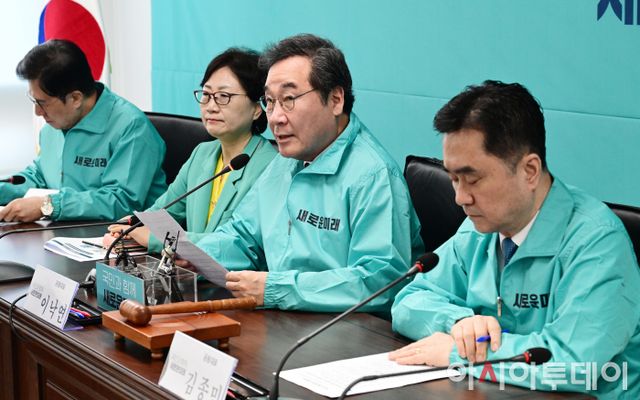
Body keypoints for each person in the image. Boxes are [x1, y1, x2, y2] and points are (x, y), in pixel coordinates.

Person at [389, 81, 640, 398]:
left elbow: (574, 363)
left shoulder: (597, 243)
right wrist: (460, 323)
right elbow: (408, 302)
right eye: (453, 179)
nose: (460, 197)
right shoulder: (480, 229)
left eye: (472, 179)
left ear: (530, 170)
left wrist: (460, 353)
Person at [195, 34, 424, 312]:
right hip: (282, 317)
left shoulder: (373, 175)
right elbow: (243, 236)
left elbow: (379, 282)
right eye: (270, 101)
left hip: (346, 327)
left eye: (289, 99)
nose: (275, 117)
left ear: (336, 99)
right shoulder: (287, 159)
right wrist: (196, 257)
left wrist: (277, 288)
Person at [106, 48, 277, 253]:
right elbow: (164, 213)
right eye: (206, 94)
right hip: (193, 268)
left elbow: (237, 245)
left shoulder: (271, 167)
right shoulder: (202, 153)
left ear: (257, 108)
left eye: (223, 96)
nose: (210, 106)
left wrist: (158, 239)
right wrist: (134, 225)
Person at [0, 39, 166, 222]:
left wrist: (48, 206)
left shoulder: (132, 127)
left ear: (76, 98)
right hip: (66, 231)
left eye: (42, 103)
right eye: (34, 100)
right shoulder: (54, 124)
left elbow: (122, 202)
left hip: (126, 234)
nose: (37, 112)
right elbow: (40, 176)